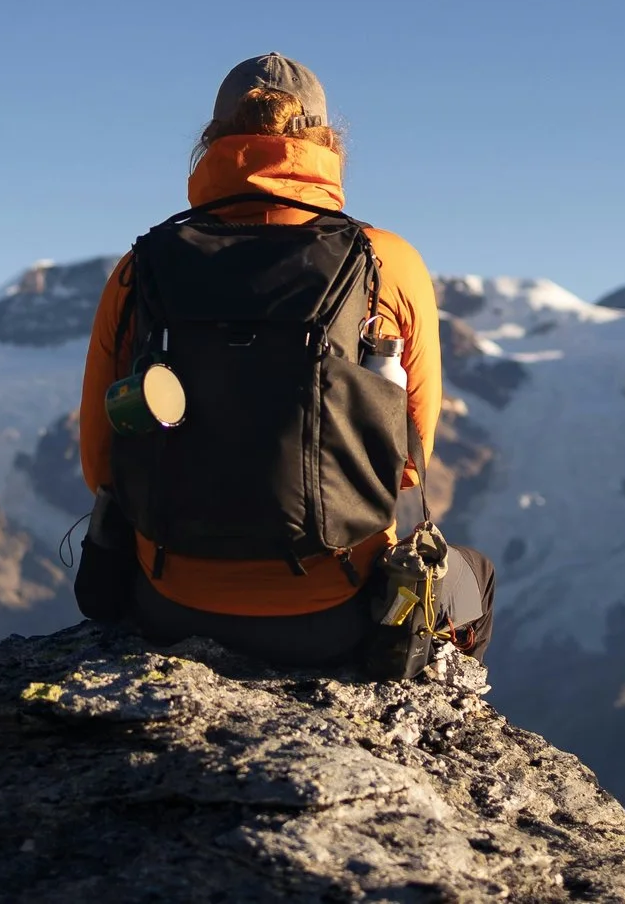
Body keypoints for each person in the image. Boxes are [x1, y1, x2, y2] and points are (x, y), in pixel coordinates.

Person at [74, 53, 494, 668]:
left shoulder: (142, 266)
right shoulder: (386, 263)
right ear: (328, 142)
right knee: (472, 577)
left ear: (212, 142)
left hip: (167, 605)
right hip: (336, 613)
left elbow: (99, 460)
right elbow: (407, 464)